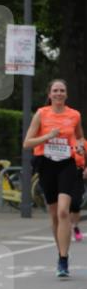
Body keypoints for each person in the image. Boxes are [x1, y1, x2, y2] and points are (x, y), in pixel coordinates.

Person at [23, 79, 85, 277]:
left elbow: (80, 137)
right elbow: (27, 143)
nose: (59, 93)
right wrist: (47, 137)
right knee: (53, 214)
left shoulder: (74, 115)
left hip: (67, 164)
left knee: (63, 212)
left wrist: (81, 147)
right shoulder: (41, 114)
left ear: (66, 95)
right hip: (47, 164)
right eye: (55, 90)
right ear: (49, 94)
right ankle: (60, 253)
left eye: (62, 91)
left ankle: (64, 259)